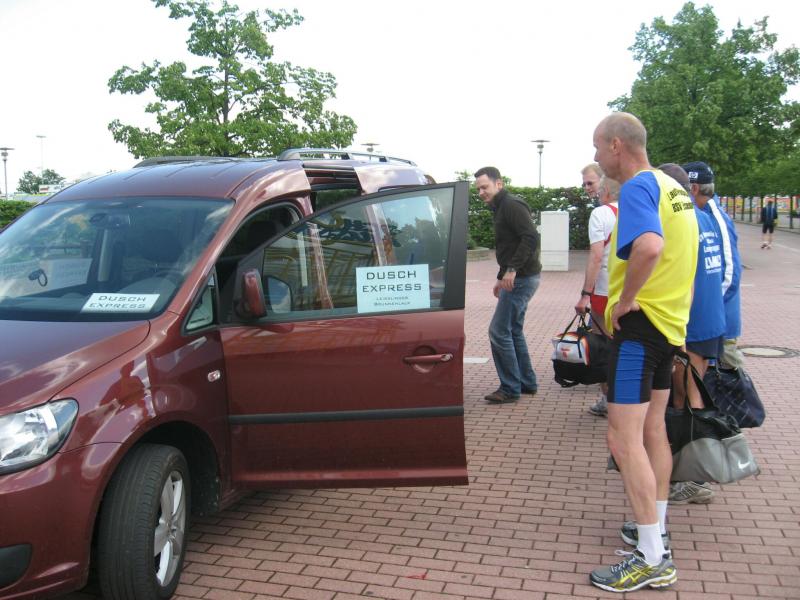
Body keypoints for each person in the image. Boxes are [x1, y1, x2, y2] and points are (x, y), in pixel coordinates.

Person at [588, 113, 697, 593]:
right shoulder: (675, 190)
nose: (595, 158)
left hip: (641, 329)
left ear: (616, 145)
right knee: (654, 431)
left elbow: (649, 248)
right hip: (668, 328)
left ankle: (652, 558)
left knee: (622, 439)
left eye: (597, 148)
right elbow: (682, 261)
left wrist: (626, 299)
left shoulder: (637, 187)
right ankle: (654, 529)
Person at [660, 164, 724, 506]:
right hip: (709, 318)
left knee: (687, 398)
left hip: (692, 323)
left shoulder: (682, 220)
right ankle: (686, 472)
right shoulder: (706, 217)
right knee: (689, 395)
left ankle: (693, 479)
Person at [475, 166, 542, 404]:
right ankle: (526, 382)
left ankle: (510, 388)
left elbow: (530, 237)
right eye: (478, 189)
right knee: (513, 330)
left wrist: (512, 270)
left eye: (485, 187)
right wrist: (500, 276)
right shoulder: (500, 207)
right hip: (520, 277)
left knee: (499, 331)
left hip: (521, 278)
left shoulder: (511, 205)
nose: (481, 192)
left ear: (499, 184)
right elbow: (510, 245)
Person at [683, 162, 745, 371]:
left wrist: (711, 305)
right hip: (712, 318)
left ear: (694, 188)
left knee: (729, 378)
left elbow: (730, 272)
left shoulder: (716, 217)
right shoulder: (702, 214)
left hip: (720, 319)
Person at [574, 175, 620, 416]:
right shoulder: (636, 211)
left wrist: (585, 294)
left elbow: (596, 256)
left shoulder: (601, 214)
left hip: (605, 289)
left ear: (606, 192)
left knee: (604, 346)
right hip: (632, 290)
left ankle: (608, 400)